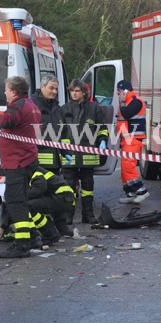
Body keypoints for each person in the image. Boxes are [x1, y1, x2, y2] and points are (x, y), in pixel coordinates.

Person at [0, 76, 42, 258]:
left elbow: (5, 121)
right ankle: (33, 237)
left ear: (13, 91)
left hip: (19, 162)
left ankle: (22, 244)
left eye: (6, 89)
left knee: (15, 202)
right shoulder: (30, 105)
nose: (4, 92)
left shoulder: (18, 106)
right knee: (20, 200)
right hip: (24, 160)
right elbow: (10, 125)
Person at [30, 75, 74, 236]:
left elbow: (63, 133)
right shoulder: (32, 105)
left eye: (56, 88)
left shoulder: (57, 108)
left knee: (57, 195)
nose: (54, 91)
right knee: (36, 196)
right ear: (42, 87)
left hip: (55, 162)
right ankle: (37, 229)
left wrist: (66, 152)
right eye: (51, 88)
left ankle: (60, 226)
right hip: (37, 162)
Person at [61, 80, 108, 224]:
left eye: (77, 91)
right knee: (69, 186)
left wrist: (103, 140)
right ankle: (68, 216)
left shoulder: (94, 108)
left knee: (88, 186)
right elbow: (59, 132)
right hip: (69, 155)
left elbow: (102, 127)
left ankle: (88, 214)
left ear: (84, 93)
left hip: (88, 155)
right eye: (72, 91)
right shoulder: (64, 109)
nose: (74, 94)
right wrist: (62, 150)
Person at [0, 167, 74, 246]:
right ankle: (47, 234)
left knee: (27, 207)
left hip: (61, 197)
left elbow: (40, 186)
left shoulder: (29, 170)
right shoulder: (28, 169)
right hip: (62, 198)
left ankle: (50, 234)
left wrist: (24, 199)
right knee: (26, 206)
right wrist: (3, 227)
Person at [116, 80, 150, 204]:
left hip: (134, 139)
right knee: (125, 168)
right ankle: (131, 193)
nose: (118, 94)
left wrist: (122, 102)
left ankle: (141, 191)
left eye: (119, 91)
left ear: (126, 91)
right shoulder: (128, 101)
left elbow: (126, 114)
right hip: (127, 139)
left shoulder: (135, 101)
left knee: (128, 165)